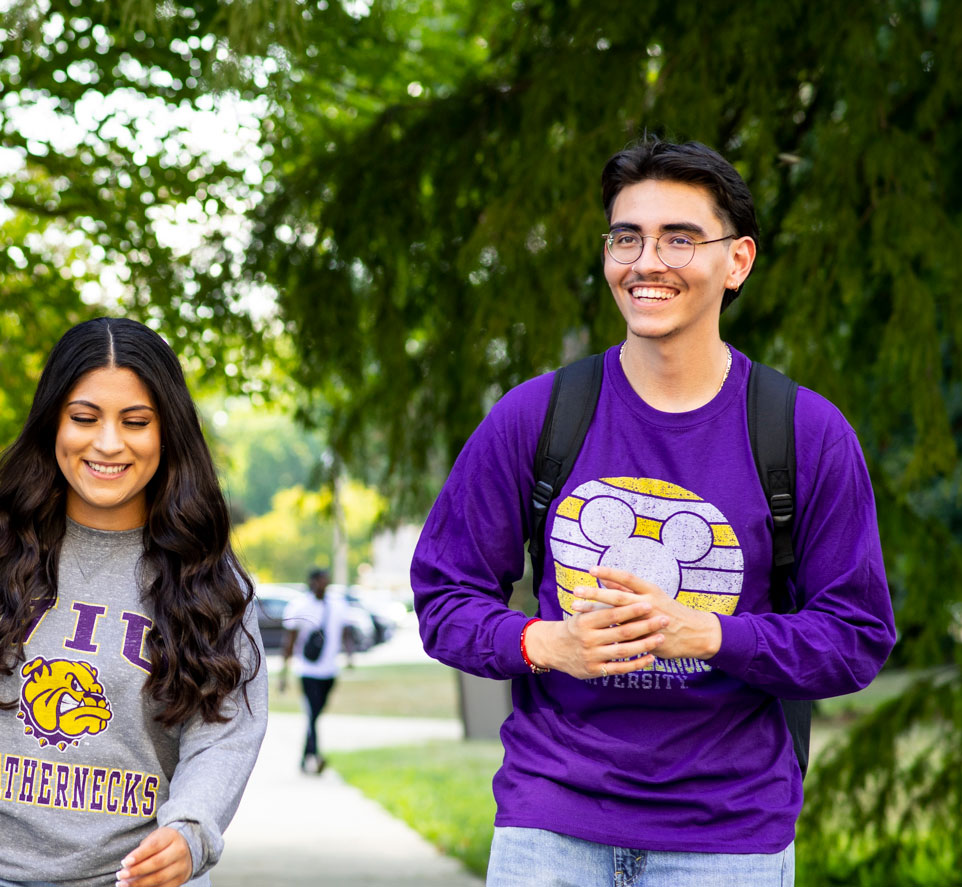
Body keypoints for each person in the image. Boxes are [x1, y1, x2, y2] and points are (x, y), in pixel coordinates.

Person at [411, 138, 896, 885]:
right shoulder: (536, 416)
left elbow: (856, 636)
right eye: (626, 237)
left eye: (679, 238)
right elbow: (444, 598)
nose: (646, 262)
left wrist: (709, 634)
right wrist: (546, 642)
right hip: (551, 825)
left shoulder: (805, 432)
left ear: (737, 261)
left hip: (730, 837)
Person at [0, 317, 266, 887]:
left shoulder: (207, 575)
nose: (109, 443)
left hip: (135, 876)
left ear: (167, 432)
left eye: (136, 422)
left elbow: (225, 730)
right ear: (53, 422)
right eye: (84, 418)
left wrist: (192, 829)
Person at [278, 567, 352, 774]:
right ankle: (316, 756)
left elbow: (346, 631)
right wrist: (284, 674)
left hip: (330, 670)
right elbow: (289, 643)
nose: (323, 584)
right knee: (312, 714)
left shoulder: (338, 604)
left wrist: (349, 654)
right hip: (308, 670)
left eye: (326, 580)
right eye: (320, 580)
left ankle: (305, 756)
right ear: (311, 582)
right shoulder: (299, 606)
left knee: (316, 714)